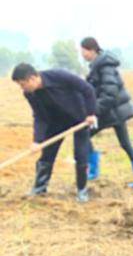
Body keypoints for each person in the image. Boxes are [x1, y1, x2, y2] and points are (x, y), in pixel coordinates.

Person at [10, 63, 97, 202]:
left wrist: (91, 113)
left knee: (80, 155)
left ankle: (82, 191)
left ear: (32, 78)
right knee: (47, 155)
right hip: (56, 122)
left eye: (22, 84)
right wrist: (37, 140)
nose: (22, 88)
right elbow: (39, 116)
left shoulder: (59, 76)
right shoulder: (30, 94)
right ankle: (39, 188)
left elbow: (87, 89)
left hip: (80, 119)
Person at [80, 37, 133, 187]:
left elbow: (110, 93)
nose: (82, 54)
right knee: (125, 144)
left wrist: (94, 111)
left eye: (83, 51)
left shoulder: (105, 66)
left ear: (91, 50)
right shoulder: (98, 65)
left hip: (112, 111)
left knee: (84, 133)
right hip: (114, 111)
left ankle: (93, 170)